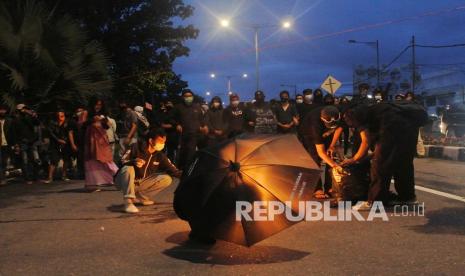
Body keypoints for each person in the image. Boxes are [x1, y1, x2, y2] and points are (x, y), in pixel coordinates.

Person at [343, 102, 427, 210]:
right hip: (409, 131)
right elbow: (379, 147)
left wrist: (354, 159)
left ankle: (375, 202)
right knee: (403, 164)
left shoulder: (355, 115)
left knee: (380, 167)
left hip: (393, 128)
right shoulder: (371, 110)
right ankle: (408, 198)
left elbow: (366, 142)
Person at [116, 128, 181, 213]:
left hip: (141, 182)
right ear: (151, 141)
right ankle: (128, 202)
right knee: (128, 168)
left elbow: (174, 171)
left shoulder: (160, 156)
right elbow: (121, 161)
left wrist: (189, 175)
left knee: (167, 178)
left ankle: (140, 197)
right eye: (160, 141)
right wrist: (133, 161)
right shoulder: (136, 147)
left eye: (164, 142)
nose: (162, 144)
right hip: (123, 181)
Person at [301, 106, 344, 199]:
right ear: (322, 119)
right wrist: (335, 166)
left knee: (330, 156)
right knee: (315, 160)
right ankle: (317, 188)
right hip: (309, 136)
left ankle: (330, 188)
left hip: (327, 133)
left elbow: (339, 128)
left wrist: (332, 146)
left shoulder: (337, 113)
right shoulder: (315, 124)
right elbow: (320, 152)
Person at [173, 89, 208, 170]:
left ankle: (188, 170)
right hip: (182, 135)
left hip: (194, 134)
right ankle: (180, 169)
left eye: (190, 96)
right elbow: (171, 118)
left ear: (193, 97)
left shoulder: (197, 107)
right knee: (182, 153)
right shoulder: (178, 107)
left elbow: (202, 119)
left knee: (191, 153)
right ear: (182, 97)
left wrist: (204, 126)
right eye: (186, 96)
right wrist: (176, 124)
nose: (188, 98)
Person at [84, 112, 118, 192]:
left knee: (107, 162)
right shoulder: (88, 119)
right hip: (91, 143)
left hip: (102, 144)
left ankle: (121, 178)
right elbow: (82, 125)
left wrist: (102, 120)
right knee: (93, 163)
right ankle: (94, 184)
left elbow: (108, 126)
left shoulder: (104, 119)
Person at [11, 104, 40, 184]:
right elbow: (13, 133)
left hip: (32, 141)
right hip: (22, 142)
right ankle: (27, 178)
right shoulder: (15, 120)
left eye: (26, 108)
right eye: (23, 109)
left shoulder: (29, 118)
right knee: (24, 160)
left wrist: (33, 116)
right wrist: (16, 144)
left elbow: (37, 123)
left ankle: (35, 177)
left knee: (34, 159)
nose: (25, 110)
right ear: (19, 110)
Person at [43, 111, 73, 183]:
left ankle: (64, 175)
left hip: (65, 144)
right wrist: (58, 140)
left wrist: (66, 141)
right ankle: (50, 177)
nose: (62, 118)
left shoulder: (67, 123)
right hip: (55, 144)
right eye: (60, 116)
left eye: (63, 116)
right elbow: (51, 133)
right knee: (53, 160)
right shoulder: (53, 124)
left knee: (66, 159)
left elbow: (70, 133)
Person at [0, 105, 13, 185]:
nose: (2, 111)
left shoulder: (10, 121)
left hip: (5, 144)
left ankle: (3, 179)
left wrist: (14, 144)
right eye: (0, 110)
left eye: (3, 110)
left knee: (3, 162)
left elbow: (13, 133)